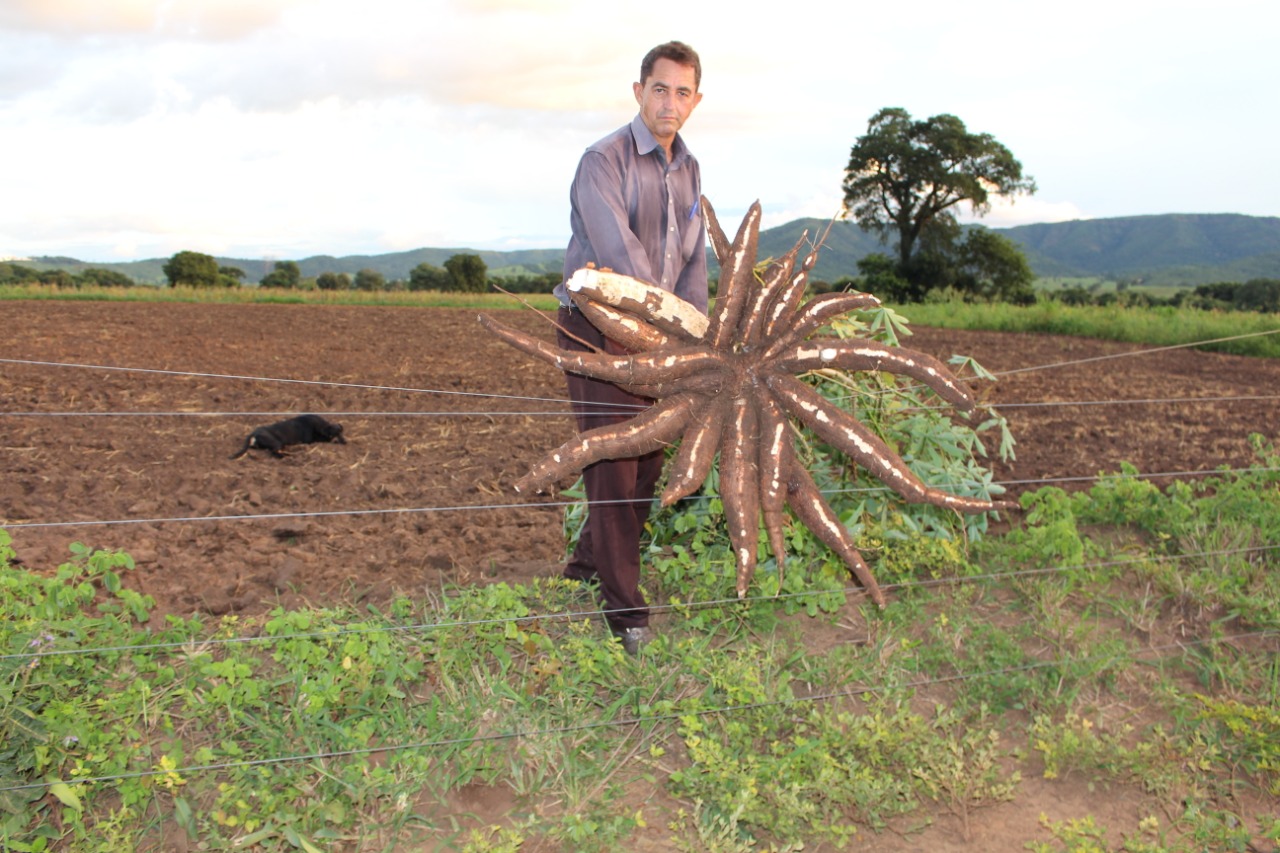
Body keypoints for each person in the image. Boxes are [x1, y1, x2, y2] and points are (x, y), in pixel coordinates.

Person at [551, 40, 708, 655]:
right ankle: (626, 613)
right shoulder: (603, 160)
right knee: (617, 461)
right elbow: (622, 260)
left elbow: (692, 259)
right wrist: (670, 327)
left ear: (697, 101)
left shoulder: (689, 168)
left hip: (661, 336)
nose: (670, 102)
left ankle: (588, 568)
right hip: (597, 327)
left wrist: (696, 332)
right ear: (639, 91)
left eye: (683, 92)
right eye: (660, 89)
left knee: (647, 461)